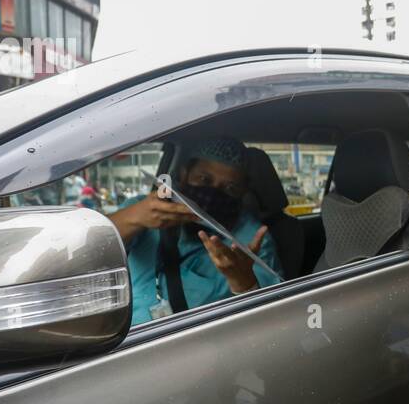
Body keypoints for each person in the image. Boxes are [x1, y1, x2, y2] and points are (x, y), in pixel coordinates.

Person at [110, 136, 284, 327]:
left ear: (243, 191)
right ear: (184, 174)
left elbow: (269, 319)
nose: (213, 193)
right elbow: (95, 247)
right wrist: (133, 218)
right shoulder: (148, 209)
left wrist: (243, 282)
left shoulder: (251, 238)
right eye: (204, 179)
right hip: (132, 340)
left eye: (230, 187)